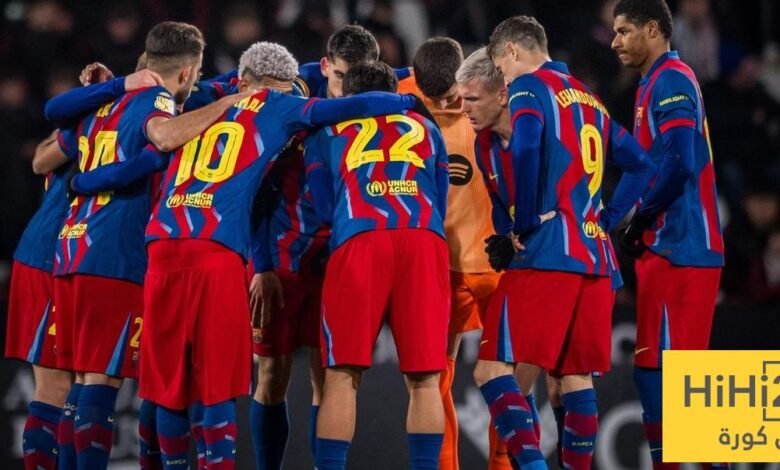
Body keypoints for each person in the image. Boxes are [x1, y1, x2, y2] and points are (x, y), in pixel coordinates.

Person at [140, 42, 421, 469]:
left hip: (166, 243)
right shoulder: (281, 105)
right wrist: (408, 99)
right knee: (230, 383)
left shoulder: (198, 112)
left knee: (168, 385)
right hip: (245, 255)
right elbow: (355, 105)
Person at [42, 21, 251, 469]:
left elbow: (52, 126)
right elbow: (163, 136)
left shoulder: (107, 100)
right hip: (114, 252)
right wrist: (224, 106)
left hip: (72, 247)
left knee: (81, 381)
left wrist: (82, 180)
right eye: (196, 74)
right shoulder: (157, 98)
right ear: (186, 72)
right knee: (102, 381)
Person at [476, 15, 654, 469]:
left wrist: (524, 222)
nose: (503, 79)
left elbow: (526, 148)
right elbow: (640, 164)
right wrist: (607, 218)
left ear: (513, 51)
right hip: (596, 256)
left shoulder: (528, 88)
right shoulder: (588, 98)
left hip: (550, 252)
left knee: (493, 370)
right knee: (573, 380)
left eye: (501, 66)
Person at [304, 61, 450, 470]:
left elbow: (323, 209)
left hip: (360, 237)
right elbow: (440, 198)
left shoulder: (327, 131)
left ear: (348, 97)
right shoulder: (428, 128)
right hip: (423, 237)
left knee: (341, 376)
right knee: (425, 380)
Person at [611, 1, 725, 468]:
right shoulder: (650, 84)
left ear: (654, 29)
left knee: (682, 378)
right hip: (665, 245)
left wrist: (641, 219)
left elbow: (681, 162)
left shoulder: (673, 79)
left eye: (624, 31)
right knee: (652, 373)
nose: (615, 41)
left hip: (683, 242)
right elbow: (653, 165)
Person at [398, 37, 507, 470]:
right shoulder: (400, 94)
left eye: (453, 96)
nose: (447, 105)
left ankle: (503, 464)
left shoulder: (487, 93)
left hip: (490, 261)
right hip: (441, 267)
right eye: (436, 98)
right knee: (434, 377)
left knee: (501, 375)